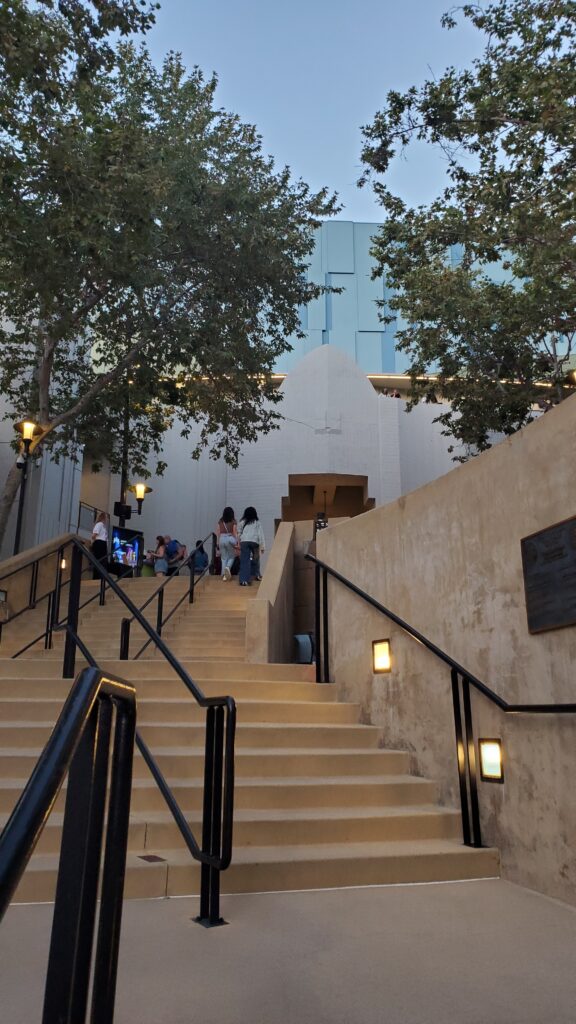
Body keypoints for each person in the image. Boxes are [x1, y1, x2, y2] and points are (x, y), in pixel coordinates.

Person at [238, 506, 265, 586]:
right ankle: (256, 575)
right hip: (254, 542)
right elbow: (261, 534)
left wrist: (240, 539)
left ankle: (244, 580)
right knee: (256, 558)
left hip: (244, 542)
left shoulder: (242, 521)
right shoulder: (257, 522)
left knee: (245, 561)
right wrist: (262, 546)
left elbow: (239, 532)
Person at [216, 507, 239, 581]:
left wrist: (217, 543)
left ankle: (223, 575)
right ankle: (228, 567)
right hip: (230, 538)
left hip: (221, 539)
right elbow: (235, 532)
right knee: (232, 557)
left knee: (224, 558)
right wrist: (237, 541)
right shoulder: (233, 521)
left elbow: (218, 532)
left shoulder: (220, 521)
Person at [91, 512, 108, 579]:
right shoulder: (99, 524)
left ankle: (100, 577)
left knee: (102, 562)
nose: (107, 519)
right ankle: (97, 577)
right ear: (103, 517)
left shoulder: (103, 526)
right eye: (106, 517)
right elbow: (94, 535)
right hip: (99, 543)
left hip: (102, 544)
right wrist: (93, 543)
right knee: (100, 561)